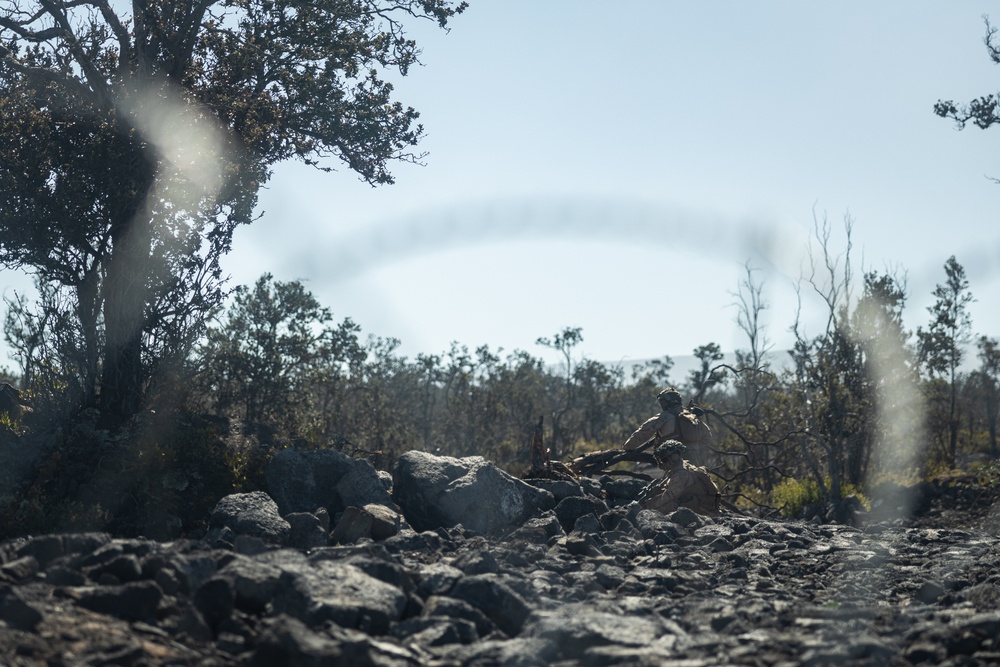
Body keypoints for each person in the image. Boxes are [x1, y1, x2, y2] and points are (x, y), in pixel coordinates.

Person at [642, 441, 721, 516]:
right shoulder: (686, 465)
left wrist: (649, 505)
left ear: (674, 457)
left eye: (664, 460)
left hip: (699, 509)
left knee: (658, 509)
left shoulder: (680, 475)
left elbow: (668, 496)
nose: (662, 463)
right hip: (699, 504)